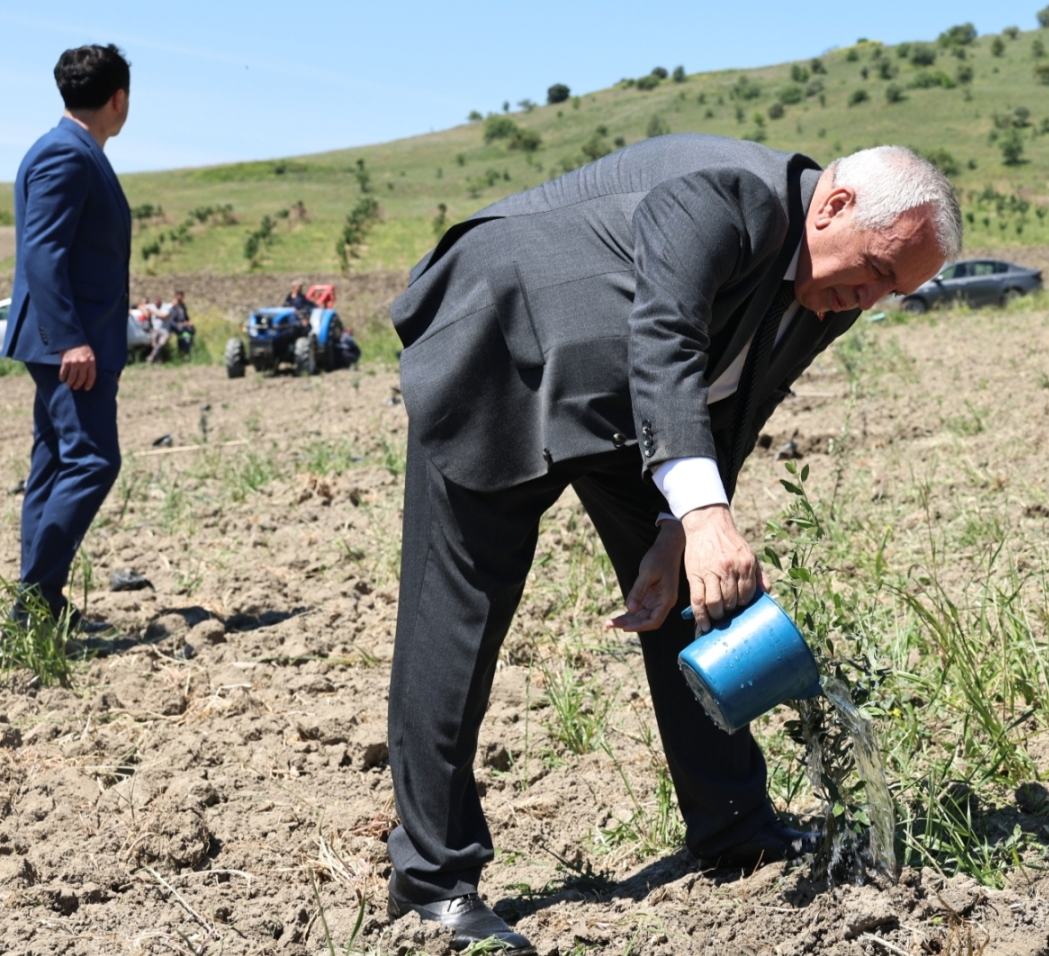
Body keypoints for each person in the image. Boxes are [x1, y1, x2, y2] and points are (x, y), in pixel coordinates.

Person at [385, 135, 956, 952]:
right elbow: (667, 336)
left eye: (891, 291)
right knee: (459, 618)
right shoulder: (730, 194)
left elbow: (737, 403)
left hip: (632, 401)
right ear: (832, 207)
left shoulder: (831, 287)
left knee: (702, 592)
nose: (869, 297)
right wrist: (705, 516)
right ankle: (432, 886)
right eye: (874, 269)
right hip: (505, 343)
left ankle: (734, 826)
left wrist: (673, 527)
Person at [1, 45, 132, 628]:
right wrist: (69, 339)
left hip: (67, 339)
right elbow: (42, 253)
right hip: (71, 345)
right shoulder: (66, 154)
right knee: (92, 461)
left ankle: (42, 605)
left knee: (56, 464)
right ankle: (33, 602)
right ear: (118, 98)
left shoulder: (66, 149)